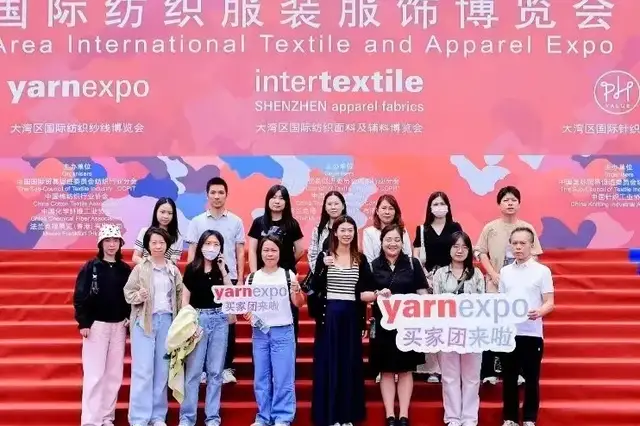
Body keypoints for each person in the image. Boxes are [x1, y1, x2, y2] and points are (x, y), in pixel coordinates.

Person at [310, 215, 376, 426]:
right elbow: (314, 287)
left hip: (351, 317)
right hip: (329, 317)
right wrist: (322, 267)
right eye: (343, 230)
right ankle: (330, 416)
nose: (347, 234)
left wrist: (376, 297)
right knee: (329, 364)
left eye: (350, 230)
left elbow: (365, 290)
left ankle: (347, 416)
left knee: (349, 365)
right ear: (335, 233)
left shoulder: (360, 259)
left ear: (355, 233)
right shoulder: (325, 256)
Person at [475, 186, 542, 385]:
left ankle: (518, 371)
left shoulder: (526, 228)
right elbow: (481, 252)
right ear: (499, 204)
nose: (510, 203)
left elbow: (535, 255)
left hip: (520, 287)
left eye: (513, 200)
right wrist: (493, 274)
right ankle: (489, 371)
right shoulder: (490, 228)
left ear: (519, 204)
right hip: (494, 284)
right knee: (492, 327)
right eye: (506, 200)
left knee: (517, 328)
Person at [186, 176, 245, 384]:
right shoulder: (197, 221)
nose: (217, 196)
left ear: (226, 195)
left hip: (228, 277)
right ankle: (202, 368)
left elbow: (240, 251)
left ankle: (227, 367)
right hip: (202, 278)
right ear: (207, 195)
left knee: (228, 322)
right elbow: (192, 251)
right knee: (201, 321)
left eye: (221, 192)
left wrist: (239, 279)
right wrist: (191, 276)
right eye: (213, 192)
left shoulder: (236, 221)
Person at [124, 227, 184, 426]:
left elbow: (179, 295)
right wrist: (138, 296)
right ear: (148, 246)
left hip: (166, 321)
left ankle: (158, 416)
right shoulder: (140, 268)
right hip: (144, 322)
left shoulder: (173, 270)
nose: (158, 246)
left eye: (161, 242)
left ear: (167, 245)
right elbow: (128, 293)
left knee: (162, 371)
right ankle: (139, 418)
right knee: (143, 370)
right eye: (154, 242)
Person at [370, 224, 429, 426]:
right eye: (388, 239)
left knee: (405, 370)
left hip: (407, 326)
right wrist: (377, 294)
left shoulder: (412, 263)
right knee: (386, 370)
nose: (392, 244)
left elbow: (423, 293)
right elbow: (364, 293)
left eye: (397, 240)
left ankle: (403, 415)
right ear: (381, 242)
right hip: (383, 326)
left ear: (402, 242)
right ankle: (390, 415)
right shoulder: (373, 265)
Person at [74, 224, 132, 426]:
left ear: (120, 243)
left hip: (119, 327)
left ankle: (107, 417)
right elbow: (80, 295)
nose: (112, 244)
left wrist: (128, 316)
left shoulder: (125, 269)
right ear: (100, 243)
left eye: (115, 240)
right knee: (94, 374)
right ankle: (91, 420)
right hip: (96, 326)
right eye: (107, 240)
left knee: (114, 375)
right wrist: (83, 322)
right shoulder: (91, 267)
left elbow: (130, 296)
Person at [245, 235, 306, 426]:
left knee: (283, 378)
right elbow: (246, 305)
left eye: (273, 250)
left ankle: (283, 417)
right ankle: (263, 417)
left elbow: (299, 303)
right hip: (260, 333)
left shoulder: (288, 275)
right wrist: (247, 313)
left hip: (283, 331)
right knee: (261, 378)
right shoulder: (252, 278)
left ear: (280, 253)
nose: (269, 254)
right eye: (266, 250)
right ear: (260, 252)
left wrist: (297, 291)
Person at [499, 227, 554, 426]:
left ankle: (530, 418)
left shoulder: (542, 271)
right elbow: (501, 301)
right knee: (509, 378)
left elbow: (549, 302)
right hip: (509, 333)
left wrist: (539, 312)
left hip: (532, 333)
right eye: (514, 243)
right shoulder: (505, 272)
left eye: (523, 243)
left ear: (531, 245)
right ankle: (510, 418)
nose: (518, 247)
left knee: (531, 378)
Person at [178, 230, 234, 426]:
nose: (211, 247)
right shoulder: (192, 269)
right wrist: (189, 324)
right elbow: (185, 300)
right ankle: (187, 417)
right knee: (193, 372)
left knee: (215, 372)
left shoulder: (222, 269)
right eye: (208, 243)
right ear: (201, 245)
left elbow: (230, 295)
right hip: (198, 319)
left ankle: (212, 417)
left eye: (216, 244)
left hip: (220, 320)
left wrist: (224, 270)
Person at [432, 231, 485, 426]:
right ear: (449, 249)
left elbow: (484, 303)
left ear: (469, 250)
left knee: (472, 377)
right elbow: (434, 303)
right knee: (449, 377)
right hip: (447, 331)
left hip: (472, 332)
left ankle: (469, 418)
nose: (459, 250)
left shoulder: (476, 274)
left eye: (464, 247)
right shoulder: (440, 274)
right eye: (455, 246)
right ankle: (453, 418)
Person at [413, 191, 462, 383]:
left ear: (448, 207)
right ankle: (432, 369)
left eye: (442, 203)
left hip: (451, 281)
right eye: (435, 204)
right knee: (431, 326)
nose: (439, 207)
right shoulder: (422, 229)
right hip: (429, 282)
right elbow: (416, 257)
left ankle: (450, 367)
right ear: (430, 208)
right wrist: (425, 277)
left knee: (449, 325)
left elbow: (460, 251)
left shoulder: (455, 227)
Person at [247, 184, 304, 341]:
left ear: (286, 202)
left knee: (289, 315)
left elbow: (300, 250)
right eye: (273, 197)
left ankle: (288, 351)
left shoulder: (292, 224)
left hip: (284, 279)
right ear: (268, 200)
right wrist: (254, 275)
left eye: (281, 198)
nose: (277, 201)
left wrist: (286, 264)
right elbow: (252, 250)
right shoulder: (258, 222)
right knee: (262, 316)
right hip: (263, 278)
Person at [133, 197, 184, 264]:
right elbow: (135, 257)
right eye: (162, 212)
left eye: (170, 213)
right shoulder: (144, 232)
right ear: (156, 212)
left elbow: (173, 262)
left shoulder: (178, 237)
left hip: (165, 270)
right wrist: (149, 265)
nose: (166, 216)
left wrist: (160, 267)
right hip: (144, 269)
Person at [307, 191, 347, 272]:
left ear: (343, 206)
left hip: (344, 273)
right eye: (329, 204)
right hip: (322, 274)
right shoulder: (318, 229)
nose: (333, 207)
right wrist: (318, 272)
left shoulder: (350, 228)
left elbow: (354, 253)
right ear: (325, 207)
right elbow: (312, 256)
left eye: (336, 204)